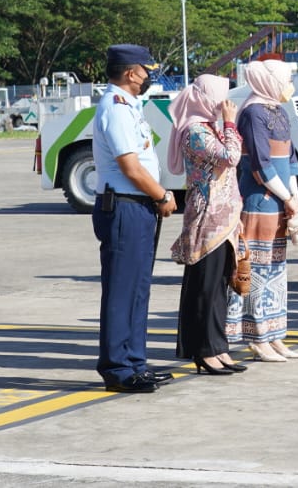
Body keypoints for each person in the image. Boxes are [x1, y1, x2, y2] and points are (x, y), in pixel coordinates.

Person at [91, 44, 177, 393]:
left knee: (139, 288)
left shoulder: (130, 107)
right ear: (130, 72)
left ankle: (135, 362)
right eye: (145, 69)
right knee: (122, 290)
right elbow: (130, 166)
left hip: (138, 206)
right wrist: (162, 195)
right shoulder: (115, 107)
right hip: (124, 205)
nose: (148, 75)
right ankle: (117, 368)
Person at [169, 74, 247, 375]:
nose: (224, 103)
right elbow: (231, 156)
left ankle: (218, 346)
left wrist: (227, 125)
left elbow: (235, 148)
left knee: (218, 287)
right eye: (219, 97)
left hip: (225, 217)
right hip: (207, 219)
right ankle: (203, 350)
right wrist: (229, 122)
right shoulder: (194, 132)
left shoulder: (210, 127)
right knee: (204, 286)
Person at [228, 58, 298, 361]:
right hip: (260, 203)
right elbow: (259, 165)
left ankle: (274, 334)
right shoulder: (253, 113)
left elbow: (292, 158)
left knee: (275, 272)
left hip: (281, 204)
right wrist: (287, 196)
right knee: (255, 271)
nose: (288, 86)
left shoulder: (278, 110)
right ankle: (256, 337)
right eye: (284, 79)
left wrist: (293, 195)